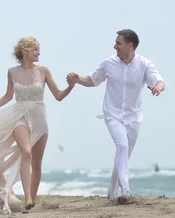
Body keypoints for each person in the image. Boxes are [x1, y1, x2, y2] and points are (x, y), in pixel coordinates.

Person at [0, 37, 75, 213]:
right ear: (25, 51)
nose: (39, 52)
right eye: (36, 49)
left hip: (39, 118)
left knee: (37, 163)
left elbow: (59, 96)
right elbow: (8, 97)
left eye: (39, 49)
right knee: (26, 151)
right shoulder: (12, 72)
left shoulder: (44, 71)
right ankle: (28, 198)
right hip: (19, 116)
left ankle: (31, 198)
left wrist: (71, 86)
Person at [67, 29, 165, 204]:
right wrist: (77, 79)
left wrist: (157, 87)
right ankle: (125, 191)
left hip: (134, 117)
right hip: (112, 114)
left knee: (123, 155)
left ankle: (112, 194)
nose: (114, 46)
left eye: (118, 43)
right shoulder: (108, 63)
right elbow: (93, 80)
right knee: (122, 145)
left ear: (130, 46)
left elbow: (159, 80)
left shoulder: (144, 64)